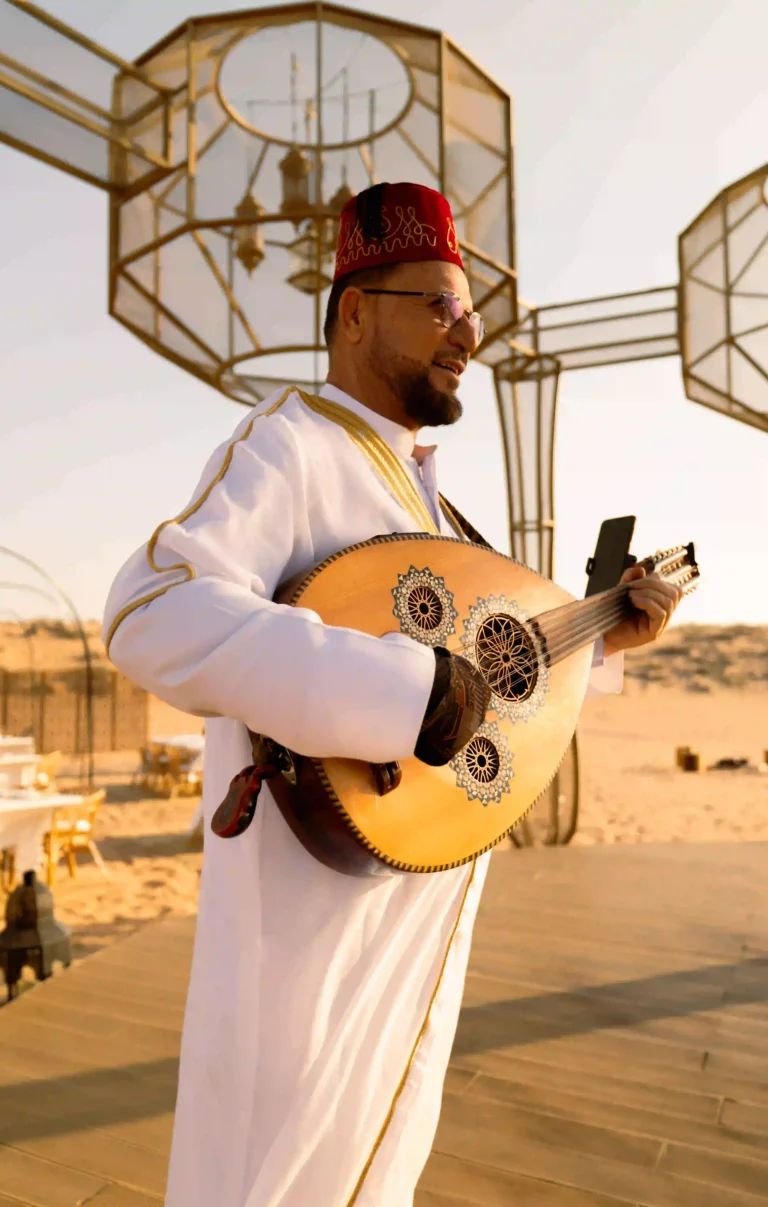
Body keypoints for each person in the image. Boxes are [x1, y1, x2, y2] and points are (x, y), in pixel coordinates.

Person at [102, 181, 683, 1207]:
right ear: (355, 310)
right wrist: (395, 687)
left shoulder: (440, 513)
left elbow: (485, 690)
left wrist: (602, 638)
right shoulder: (288, 443)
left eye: (471, 313)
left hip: (419, 921)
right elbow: (153, 609)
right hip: (308, 946)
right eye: (443, 306)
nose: (470, 331)